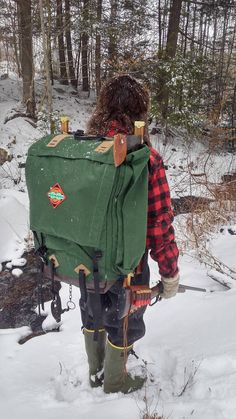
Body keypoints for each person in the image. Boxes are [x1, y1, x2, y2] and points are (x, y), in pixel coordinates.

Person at [80, 74, 179, 394]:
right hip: (128, 264)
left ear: (102, 108)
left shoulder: (83, 150)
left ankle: (97, 371)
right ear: (140, 112)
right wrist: (170, 275)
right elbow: (159, 227)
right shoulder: (146, 159)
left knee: (93, 310)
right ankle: (116, 381)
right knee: (125, 319)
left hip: (85, 261)